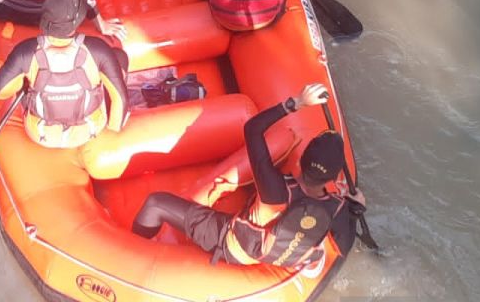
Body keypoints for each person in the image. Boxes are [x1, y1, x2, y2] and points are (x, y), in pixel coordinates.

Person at [131, 83, 367, 269]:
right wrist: (355, 210)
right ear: (334, 176)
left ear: (303, 159)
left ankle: (132, 253)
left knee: (155, 203)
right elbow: (343, 248)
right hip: (279, 256)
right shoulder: (337, 207)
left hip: (234, 247)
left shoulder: (273, 187)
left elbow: (253, 129)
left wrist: (295, 103)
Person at [0, 0, 129, 148]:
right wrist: (112, 133)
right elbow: (121, 99)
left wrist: (25, 83)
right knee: (120, 57)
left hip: (41, 135)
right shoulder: (97, 49)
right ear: (77, 19)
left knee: (22, 78)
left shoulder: (25, 51)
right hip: (89, 131)